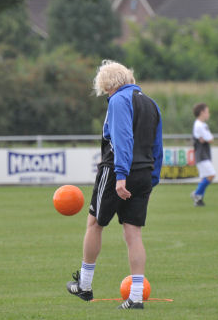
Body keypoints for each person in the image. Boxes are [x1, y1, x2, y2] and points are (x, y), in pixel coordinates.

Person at [66, 60, 163, 310]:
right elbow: (158, 147)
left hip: (117, 171)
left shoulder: (118, 100)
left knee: (95, 223)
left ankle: (85, 285)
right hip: (144, 172)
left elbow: (122, 138)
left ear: (107, 84)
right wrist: (152, 181)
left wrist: (120, 176)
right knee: (133, 233)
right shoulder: (151, 103)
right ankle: (137, 296)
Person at [190, 103, 215, 207]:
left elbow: (209, 138)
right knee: (211, 175)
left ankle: (199, 200)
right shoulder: (199, 125)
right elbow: (210, 139)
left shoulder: (203, 125)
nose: (208, 114)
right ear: (202, 112)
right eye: (207, 111)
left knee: (205, 177)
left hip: (204, 154)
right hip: (201, 155)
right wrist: (207, 139)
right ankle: (196, 193)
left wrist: (207, 139)